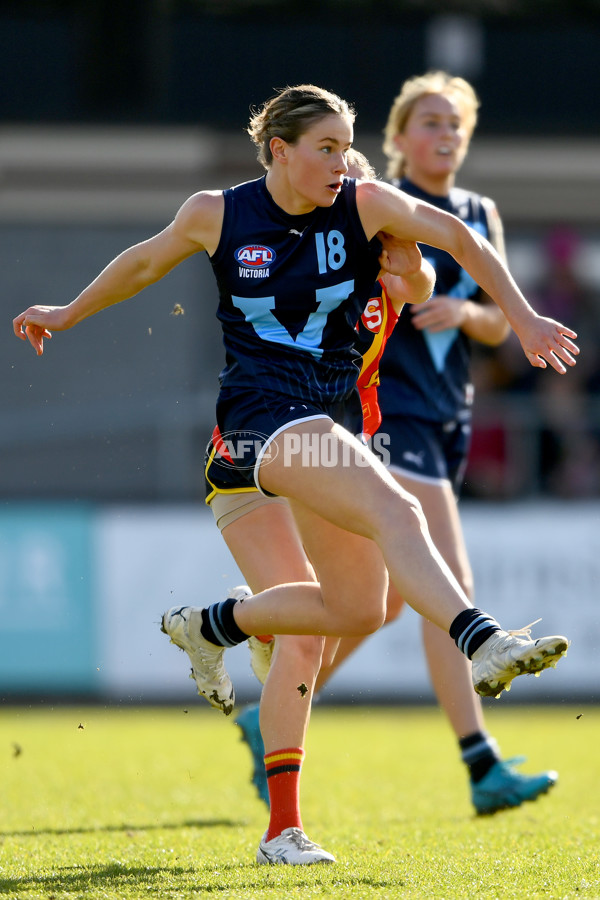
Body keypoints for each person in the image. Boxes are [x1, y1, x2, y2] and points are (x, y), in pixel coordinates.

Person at [14, 84, 577, 865]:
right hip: (254, 429)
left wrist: (515, 314)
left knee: (345, 613)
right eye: (326, 147)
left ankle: (257, 758)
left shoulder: (368, 206)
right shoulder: (218, 211)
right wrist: (67, 312)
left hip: (325, 432)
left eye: (349, 145)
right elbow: (144, 263)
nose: (344, 162)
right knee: (396, 511)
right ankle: (480, 640)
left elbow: (454, 243)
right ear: (278, 149)